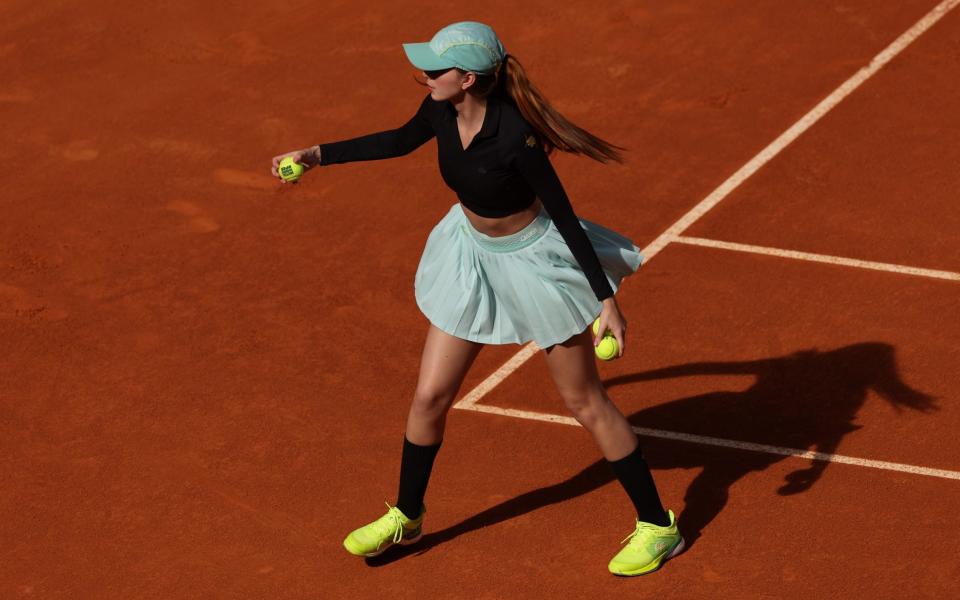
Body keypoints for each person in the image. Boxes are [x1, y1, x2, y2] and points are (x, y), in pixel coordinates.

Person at [270, 21, 683, 577]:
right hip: (469, 256)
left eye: (436, 70)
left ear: (467, 78)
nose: (424, 75)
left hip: (534, 263)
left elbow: (562, 213)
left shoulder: (516, 137)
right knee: (430, 397)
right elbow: (395, 141)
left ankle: (659, 526)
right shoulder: (440, 110)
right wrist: (317, 153)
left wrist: (604, 298)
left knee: (585, 401)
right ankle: (407, 516)